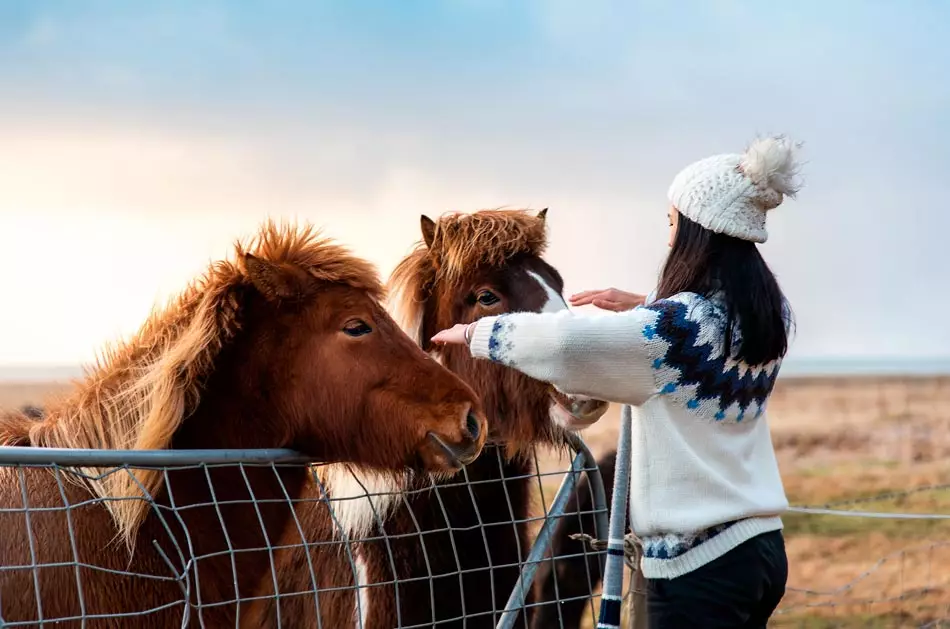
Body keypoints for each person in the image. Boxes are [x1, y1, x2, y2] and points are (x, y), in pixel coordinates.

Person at [432, 135, 802, 628]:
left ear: (700, 234)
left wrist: (476, 332)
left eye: (674, 224)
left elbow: (567, 345)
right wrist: (646, 305)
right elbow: (690, 340)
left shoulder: (673, 333)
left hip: (697, 565)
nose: (669, 238)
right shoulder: (762, 313)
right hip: (759, 546)